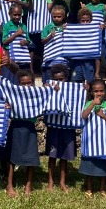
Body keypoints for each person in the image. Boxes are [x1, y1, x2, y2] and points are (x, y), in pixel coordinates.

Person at [80, 78, 106, 197]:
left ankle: (101, 189)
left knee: (102, 167)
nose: (99, 93)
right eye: (96, 91)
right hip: (91, 142)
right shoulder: (88, 104)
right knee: (89, 166)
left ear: (105, 91)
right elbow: (84, 116)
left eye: (101, 90)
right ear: (91, 92)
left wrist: (102, 115)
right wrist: (92, 104)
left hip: (103, 142)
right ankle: (89, 188)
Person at [6, 70, 41, 197]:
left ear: (33, 83)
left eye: (29, 83)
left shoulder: (38, 95)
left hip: (30, 127)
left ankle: (28, 185)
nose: (26, 86)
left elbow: (51, 97)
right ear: (18, 84)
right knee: (11, 157)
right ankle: (9, 185)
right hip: (16, 126)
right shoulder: (13, 95)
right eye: (23, 84)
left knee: (31, 157)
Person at [44, 64, 76, 192]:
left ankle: (62, 182)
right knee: (52, 155)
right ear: (51, 78)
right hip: (54, 125)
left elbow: (79, 100)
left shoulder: (73, 89)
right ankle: (50, 182)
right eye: (55, 79)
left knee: (64, 156)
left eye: (61, 79)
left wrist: (85, 89)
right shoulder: (48, 87)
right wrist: (47, 89)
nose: (58, 82)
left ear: (66, 78)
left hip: (68, 125)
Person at [40, 5, 67, 83]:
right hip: (49, 61)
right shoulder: (48, 27)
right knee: (48, 83)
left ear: (63, 16)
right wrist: (50, 36)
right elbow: (43, 41)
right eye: (54, 17)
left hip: (62, 61)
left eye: (59, 16)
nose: (56, 18)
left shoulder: (66, 26)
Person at [70, 9, 97, 83]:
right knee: (75, 82)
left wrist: (97, 72)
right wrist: (65, 29)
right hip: (76, 62)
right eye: (83, 21)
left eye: (87, 21)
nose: (85, 23)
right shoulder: (74, 31)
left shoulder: (94, 31)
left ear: (91, 20)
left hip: (89, 62)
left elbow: (97, 54)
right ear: (79, 20)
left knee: (89, 83)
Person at [2, 4, 32, 71]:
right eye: (15, 15)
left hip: (23, 56)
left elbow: (28, 40)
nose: (17, 17)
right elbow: (4, 42)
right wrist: (15, 34)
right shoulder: (7, 26)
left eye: (19, 15)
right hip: (12, 57)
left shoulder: (23, 26)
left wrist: (25, 42)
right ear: (10, 14)